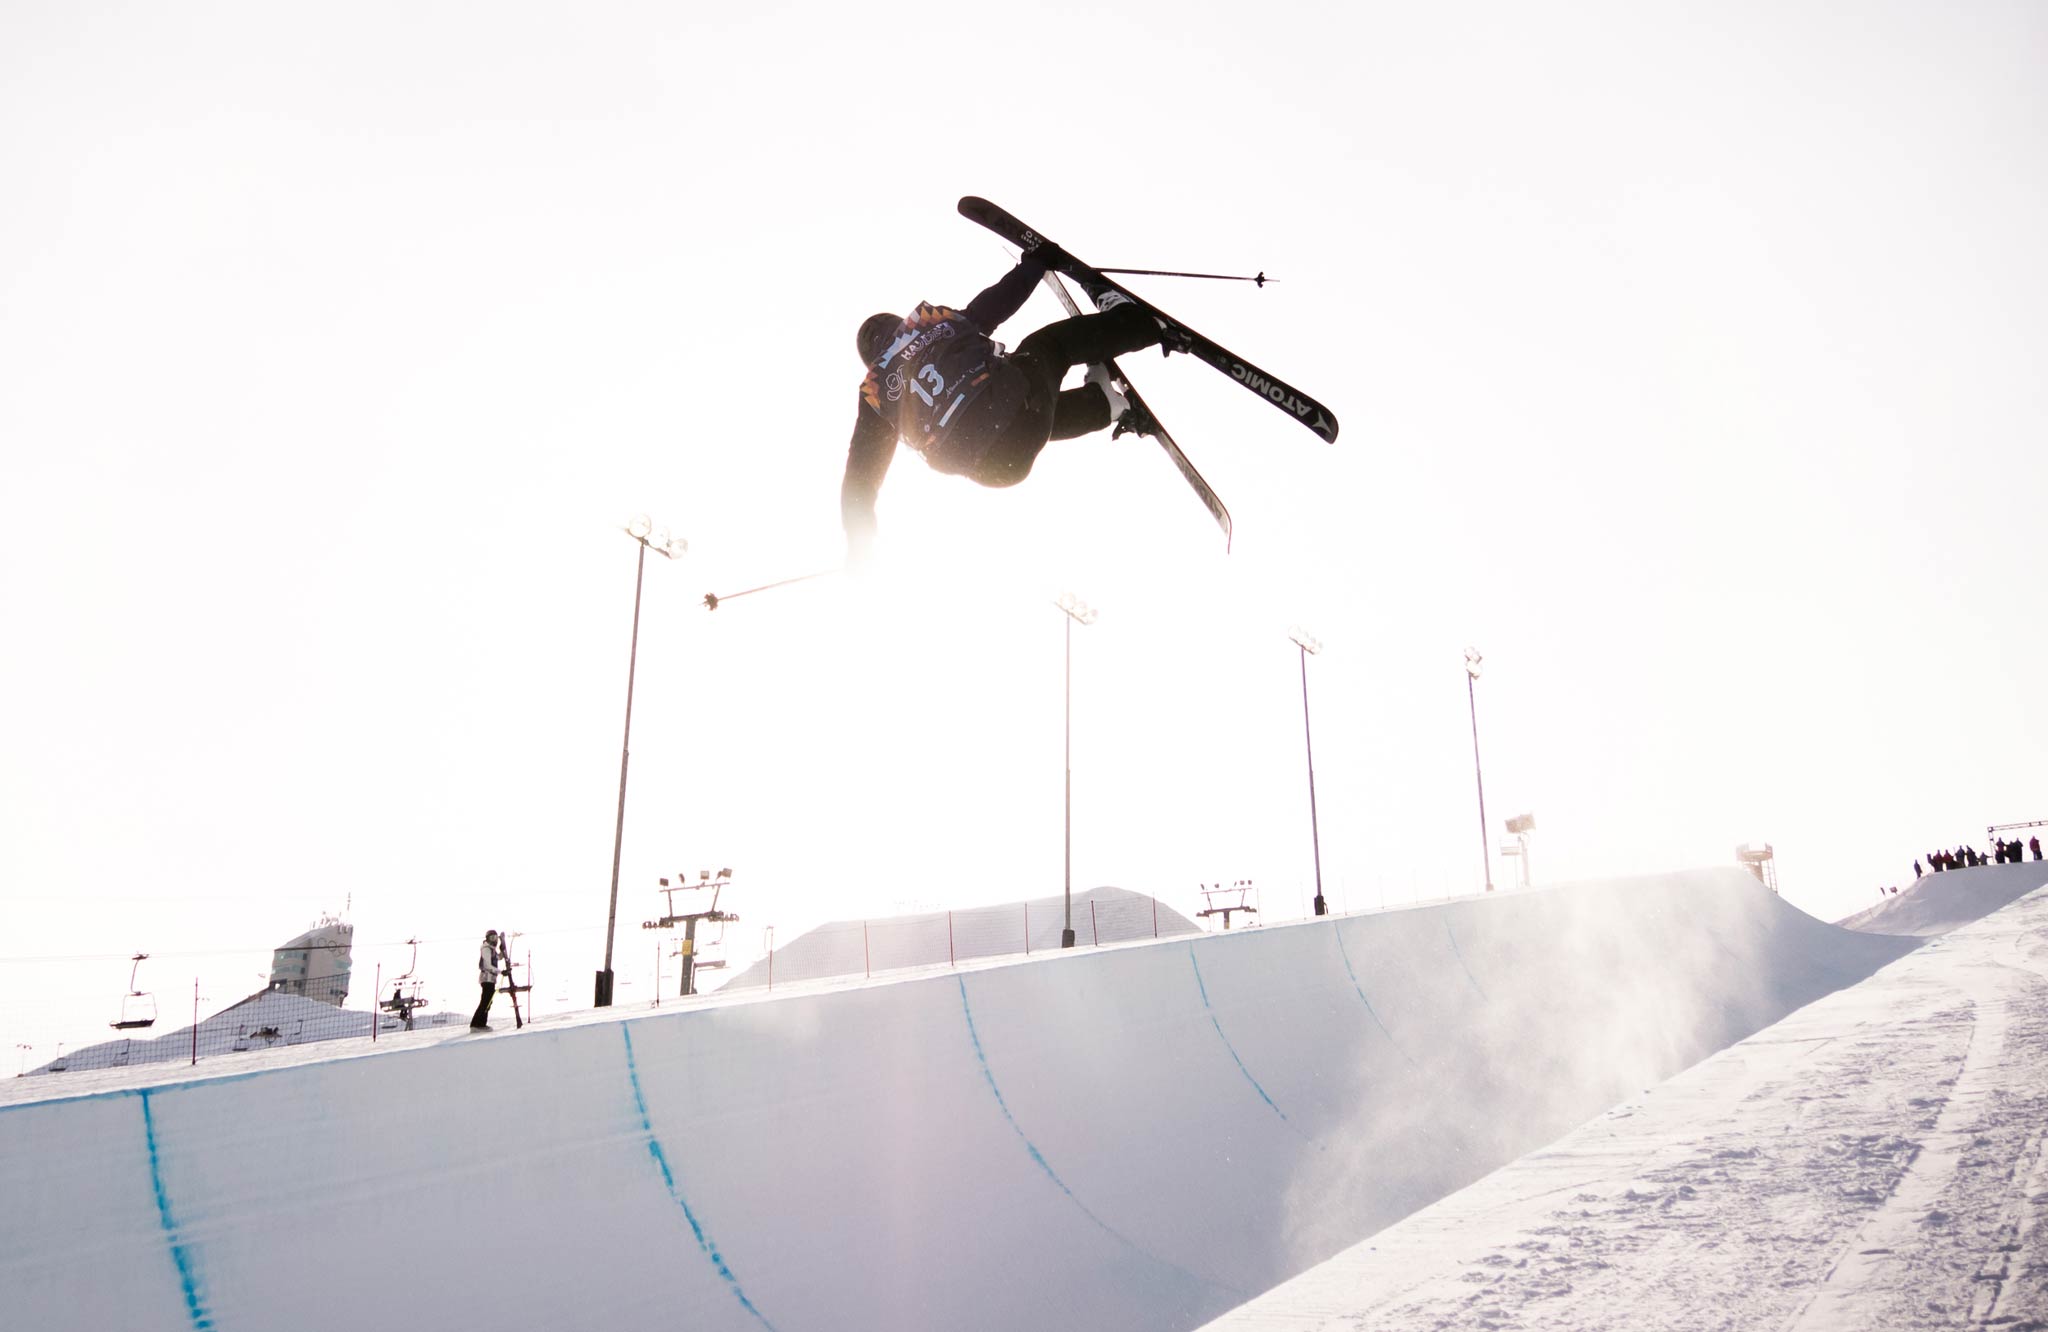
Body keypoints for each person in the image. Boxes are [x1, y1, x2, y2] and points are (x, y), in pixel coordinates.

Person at [840, 246, 1180, 561]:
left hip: (998, 470)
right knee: (1045, 347)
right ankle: (1143, 324)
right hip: (1018, 408)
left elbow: (861, 477)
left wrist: (860, 543)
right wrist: (1035, 263)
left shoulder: (876, 395)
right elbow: (997, 304)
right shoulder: (931, 325)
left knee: (1004, 414)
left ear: (872, 360)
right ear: (898, 324)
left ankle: (1104, 405)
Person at [471, 929, 502, 1030]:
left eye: (495, 938)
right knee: (485, 1001)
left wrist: (502, 949)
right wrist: (500, 971)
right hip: (486, 978)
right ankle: (476, 1024)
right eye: (491, 938)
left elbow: (499, 957)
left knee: (488, 1001)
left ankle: (481, 1024)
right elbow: (487, 965)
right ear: (487, 939)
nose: (494, 940)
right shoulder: (486, 949)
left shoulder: (492, 949)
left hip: (491, 979)